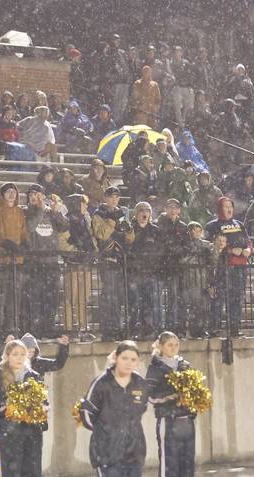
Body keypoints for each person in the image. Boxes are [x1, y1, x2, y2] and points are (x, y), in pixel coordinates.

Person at [79, 341, 148, 477]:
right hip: (107, 454)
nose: (129, 363)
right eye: (124, 358)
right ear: (116, 358)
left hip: (134, 453)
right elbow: (86, 412)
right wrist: (105, 433)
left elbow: (142, 408)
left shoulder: (139, 382)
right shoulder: (102, 382)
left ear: (137, 362)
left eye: (133, 359)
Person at [0, 339, 46, 477]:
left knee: (32, 473)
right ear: (7, 356)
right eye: (15, 354)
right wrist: (7, 409)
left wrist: (35, 410)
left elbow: (45, 405)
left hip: (32, 435)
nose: (19, 358)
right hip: (9, 436)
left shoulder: (34, 377)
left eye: (22, 354)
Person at [146, 332, 197, 477]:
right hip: (168, 420)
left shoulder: (184, 365)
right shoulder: (155, 367)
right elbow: (149, 396)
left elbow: (194, 389)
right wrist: (172, 397)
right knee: (169, 464)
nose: (174, 348)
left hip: (187, 421)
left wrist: (193, 403)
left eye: (176, 345)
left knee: (187, 464)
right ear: (161, 346)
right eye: (170, 345)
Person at [23, 183, 68, 336]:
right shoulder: (26, 211)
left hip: (52, 261)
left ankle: (48, 326)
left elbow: (64, 227)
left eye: (36, 194)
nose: (33, 197)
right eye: (30, 195)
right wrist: (41, 210)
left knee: (52, 297)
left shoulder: (51, 212)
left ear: (43, 196)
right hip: (34, 261)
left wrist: (56, 211)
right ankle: (35, 328)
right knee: (35, 296)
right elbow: (30, 227)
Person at [204, 197, 252, 336]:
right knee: (218, 299)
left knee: (237, 298)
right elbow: (208, 246)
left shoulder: (239, 224)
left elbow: (248, 242)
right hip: (221, 267)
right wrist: (229, 250)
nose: (229, 208)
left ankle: (234, 329)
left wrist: (248, 250)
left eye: (230, 206)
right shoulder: (212, 225)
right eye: (225, 206)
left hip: (240, 268)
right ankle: (214, 328)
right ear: (219, 208)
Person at [92, 187, 134, 340]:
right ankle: (107, 329)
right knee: (108, 295)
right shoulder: (99, 213)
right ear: (105, 197)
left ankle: (116, 327)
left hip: (120, 259)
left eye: (117, 197)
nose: (114, 200)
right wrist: (112, 222)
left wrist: (125, 227)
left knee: (118, 296)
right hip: (107, 259)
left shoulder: (121, 213)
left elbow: (130, 236)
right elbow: (101, 234)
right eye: (111, 197)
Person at [0, 183, 27, 338]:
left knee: (15, 298)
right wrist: (4, 244)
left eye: (14, 192)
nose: (11, 194)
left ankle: (12, 328)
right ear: (2, 194)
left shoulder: (19, 211)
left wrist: (23, 245)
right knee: (0, 296)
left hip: (17, 260)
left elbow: (24, 232)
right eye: (8, 192)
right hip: (1, 259)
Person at [60, 193, 98, 339]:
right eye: (83, 203)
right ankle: (69, 329)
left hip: (85, 264)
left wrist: (92, 251)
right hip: (73, 264)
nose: (86, 206)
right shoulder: (67, 220)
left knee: (83, 298)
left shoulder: (84, 220)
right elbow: (63, 242)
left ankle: (83, 328)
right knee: (70, 298)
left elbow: (90, 239)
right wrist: (77, 252)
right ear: (76, 204)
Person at [128, 202, 163, 338]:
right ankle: (133, 329)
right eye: (141, 210)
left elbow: (160, 249)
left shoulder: (155, 230)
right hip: (134, 273)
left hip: (150, 272)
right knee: (134, 302)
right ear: (136, 214)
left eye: (147, 210)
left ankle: (148, 329)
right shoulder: (131, 229)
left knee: (149, 302)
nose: (144, 213)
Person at [156, 199, 188, 334]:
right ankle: (160, 326)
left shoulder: (182, 226)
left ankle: (174, 326)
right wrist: (173, 248)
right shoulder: (159, 224)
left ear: (179, 210)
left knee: (174, 298)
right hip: (161, 266)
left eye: (176, 207)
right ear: (165, 209)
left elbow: (185, 246)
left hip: (176, 267)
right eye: (170, 207)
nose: (173, 210)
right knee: (157, 298)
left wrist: (176, 250)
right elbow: (161, 244)